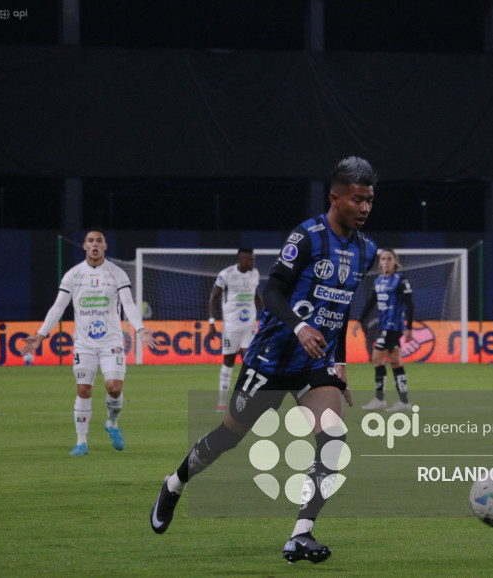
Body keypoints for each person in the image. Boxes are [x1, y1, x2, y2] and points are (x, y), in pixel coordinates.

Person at [150, 156, 378, 565]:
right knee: (228, 437)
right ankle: (174, 483)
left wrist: (339, 361)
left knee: (334, 441)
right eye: (357, 200)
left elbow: (340, 308)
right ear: (335, 197)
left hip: (314, 363)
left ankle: (301, 535)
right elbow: (272, 293)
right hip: (271, 359)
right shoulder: (306, 237)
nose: (364, 208)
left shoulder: (366, 250)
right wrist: (298, 327)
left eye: (369, 201)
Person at [21, 229, 155, 455]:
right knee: (83, 389)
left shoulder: (117, 274)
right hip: (84, 344)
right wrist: (41, 335)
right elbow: (58, 307)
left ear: (105, 246)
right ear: (84, 246)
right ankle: (81, 442)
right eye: (90, 241)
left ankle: (111, 424)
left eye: (99, 241)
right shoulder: (73, 275)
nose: (95, 245)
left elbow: (128, 304)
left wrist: (140, 329)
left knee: (114, 388)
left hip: (111, 342)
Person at [354, 249, 415, 412]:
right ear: (379, 263)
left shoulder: (401, 280)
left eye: (389, 259)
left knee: (376, 358)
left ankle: (379, 399)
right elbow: (371, 302)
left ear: (395, 261)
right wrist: (359, 321)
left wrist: (409, 328)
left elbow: (409, 304)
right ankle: (404, 401)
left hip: (393, 327)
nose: (386, 262)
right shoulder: (379, 280)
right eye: (383, 259)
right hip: (383, 326)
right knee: (395, 361)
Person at [208, 248, 264, 412]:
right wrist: (212, 322)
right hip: (231, 326)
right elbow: (213, 297)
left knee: (248, 361)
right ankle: (221, 403)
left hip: (249, 325)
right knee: (229, 361)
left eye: (253, 259)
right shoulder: (227, 274)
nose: (252, 263)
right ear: (241, 259)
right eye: (249, 260)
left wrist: (269, 313)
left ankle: (245, 402)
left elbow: (256, 296)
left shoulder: (255, 274)